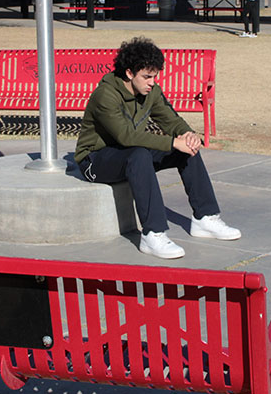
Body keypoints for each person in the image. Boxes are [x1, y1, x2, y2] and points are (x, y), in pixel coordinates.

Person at [74, 37, 241, 259]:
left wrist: (188, 135)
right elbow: (126, 136)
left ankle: (205, 218)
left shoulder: (150, 91)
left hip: (130, 153)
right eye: (147, 76)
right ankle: (153, 234)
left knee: (185, 150)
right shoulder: (106, 95)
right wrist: (173, 142)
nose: (152, 82)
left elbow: (170, 119)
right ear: (129, 73)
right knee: (140, 153)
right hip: (95, 160)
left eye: (155, 76)